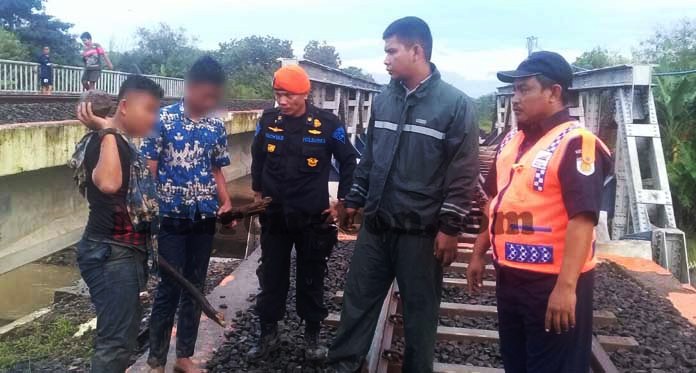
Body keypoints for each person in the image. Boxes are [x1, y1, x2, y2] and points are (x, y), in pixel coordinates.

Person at [328, 16, 480, 373]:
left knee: (420, 315)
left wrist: (450, 228)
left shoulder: (455, 106)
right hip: (377, 227)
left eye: (391, 51)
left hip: (421, 234)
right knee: (357, 304)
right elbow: (370, 159)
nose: (385, 59)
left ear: (417, 50)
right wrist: (353, 199)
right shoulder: (384, 100)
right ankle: (344, 366)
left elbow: (463, 172)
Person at [466, 51, 613, 373]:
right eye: (514, 91)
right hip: (511, 279)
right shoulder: (512, 141)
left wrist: (566, 288)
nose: (516, 99)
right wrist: (479, 251)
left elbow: (583, 218)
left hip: (552, 283)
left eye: (524, 90)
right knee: (517, 363)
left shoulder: (577, 143)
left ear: (554, 92)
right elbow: (494, 202)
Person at [247, 65, 358, 361]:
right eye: (278, 95)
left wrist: (343, 201)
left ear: (305, 94)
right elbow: (257, 155)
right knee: (271, 277)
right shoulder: (268, 121)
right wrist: (257, 190)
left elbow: (349, 161)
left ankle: (311, 338)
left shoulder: (326, 123)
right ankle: (268, 333)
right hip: (275, 216)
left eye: (289, 96)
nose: (283, 101)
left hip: (313, 217)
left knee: (311, 277)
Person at [141, 55, 233, 373]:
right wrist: (147, 216)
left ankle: (184, 357)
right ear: (190, 88)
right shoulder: (161, 120)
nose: (211, 102)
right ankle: (156, 362)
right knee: (169, 287)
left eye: (215, 97)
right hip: (170, 218)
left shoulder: (216, 127)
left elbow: (217, 171)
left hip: (204, 217)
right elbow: (149, 171)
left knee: (195, 284)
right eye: (207, 95)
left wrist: (227, 203)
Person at [70, 76, 163, 373]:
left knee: (120, 336)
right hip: (111, 254)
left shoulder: (114, 141)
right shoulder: (107, 140)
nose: (154, 118)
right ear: (123, 106)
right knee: (116, 342)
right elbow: (109, 183)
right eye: (149, 109)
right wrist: (107, 129)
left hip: (119, 252)